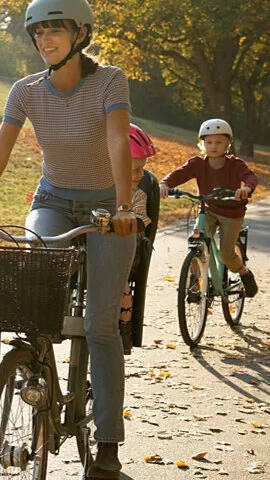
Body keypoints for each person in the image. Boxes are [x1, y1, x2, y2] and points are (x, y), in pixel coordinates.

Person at [0, 0, 138, 476]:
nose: (44, 40)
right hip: (53, 200)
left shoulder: (110, 80)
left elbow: (118, 141)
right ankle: (39, 376)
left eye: (55, 30)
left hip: (106, 206)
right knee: (37, 299)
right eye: (38, 33)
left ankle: (108, 444)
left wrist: (121, 207)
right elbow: (0, 151)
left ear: (81, 35)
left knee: (99, 327)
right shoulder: (26, 90)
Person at [159, 119, 260, 298]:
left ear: (228, 144)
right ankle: (194, 279)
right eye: (209, 142)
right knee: (197, 240)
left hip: (232, 213)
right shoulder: (197, 163)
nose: (213, 146)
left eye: (219, 142)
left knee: (226, 255)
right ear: (202, 143)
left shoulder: (235, 164)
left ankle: (244, 273)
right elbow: (179, 174)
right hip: (210, 209)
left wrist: (246, 188)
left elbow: (250, 177)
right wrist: (165, 183)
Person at [119, 124, 160, 355]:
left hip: (128, 251)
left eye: (142, 169)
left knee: (121, 282)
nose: (141, 175)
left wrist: (129, 221)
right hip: (94, 249)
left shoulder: (139, 193)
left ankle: (125, 325)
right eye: (135, 170)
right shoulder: (95, 188)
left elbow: (143, 221)